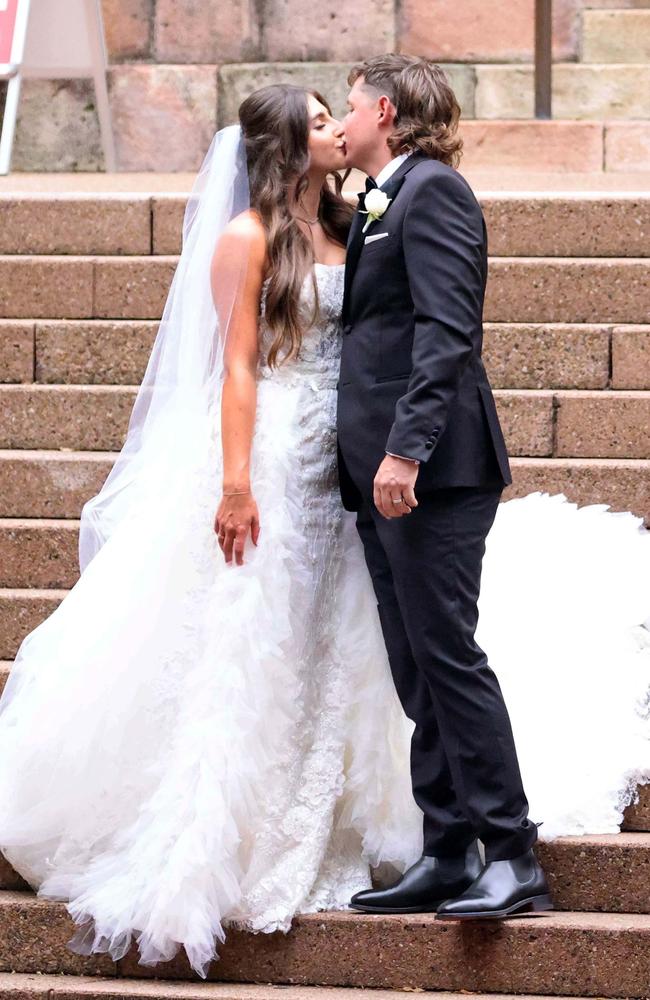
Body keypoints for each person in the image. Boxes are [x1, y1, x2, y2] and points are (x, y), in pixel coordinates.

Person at [0, 63, 647, 979]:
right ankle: (451, 847)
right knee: (394, 657)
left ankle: (506, 851)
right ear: (283, 146)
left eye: (340, 107)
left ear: (382, 113)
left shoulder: (394, 207)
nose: (336, 125)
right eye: (317, 119)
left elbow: (443, 335)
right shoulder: (276, 228)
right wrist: (235, 481)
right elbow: (235, 368)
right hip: (308, 459)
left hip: (397, 466)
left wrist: (408, 449)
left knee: (433, 655)